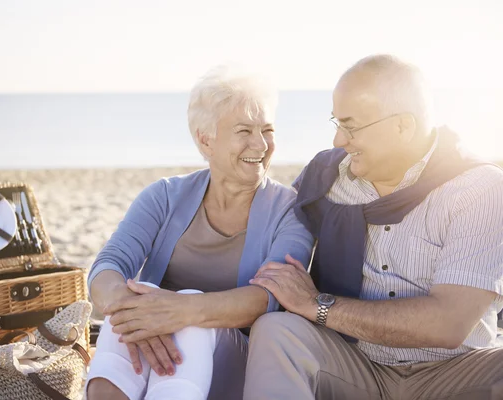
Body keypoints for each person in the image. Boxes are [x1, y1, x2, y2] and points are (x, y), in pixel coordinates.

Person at [246, 54, 503, 400]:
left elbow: (450, 322)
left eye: (350, 126)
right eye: (336, 123)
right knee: (277, 331)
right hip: (355, 364)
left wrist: (318, 304)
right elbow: (262, 229)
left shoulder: (478, 188)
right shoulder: (325, 177)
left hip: (454, 373)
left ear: (403, 126)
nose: (338, 140)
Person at [85, 65, 314, 400]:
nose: (261, 144)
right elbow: (109, 266)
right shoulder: (163, 196)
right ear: (206, 140)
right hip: (154, 351)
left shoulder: (290, 211)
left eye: (267, 130)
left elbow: (269, 297)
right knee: (132, 302)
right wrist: (130, 312)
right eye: (244, 131)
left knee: (189, 317)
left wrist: (180, 311)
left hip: (240, 368)